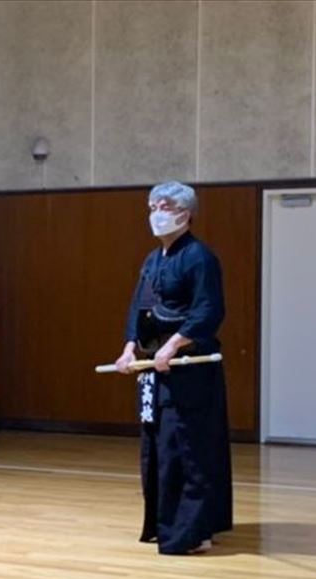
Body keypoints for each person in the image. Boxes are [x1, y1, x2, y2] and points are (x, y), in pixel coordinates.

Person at [114, 181, 233, 555]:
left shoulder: (200, 257)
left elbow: (208, 310)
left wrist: (173, 344)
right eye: (152, 207)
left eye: (164, 206)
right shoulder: (152, 260)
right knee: (157, 446)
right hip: (154, 368)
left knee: (186, 448)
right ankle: (164, 523)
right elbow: (139, 309)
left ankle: (193, 530)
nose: (156, 213)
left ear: (185, 213)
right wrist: (129, 349)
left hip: (188, 368)